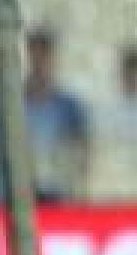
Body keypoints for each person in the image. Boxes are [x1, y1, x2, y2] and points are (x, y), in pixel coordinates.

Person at [23, 27, 90, 202]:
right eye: (34, 56)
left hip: (58, 192)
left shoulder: (69, 106)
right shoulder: (16, 104)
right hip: (23, 190)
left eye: (43, 56)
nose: (39, 63)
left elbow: (82, 149)